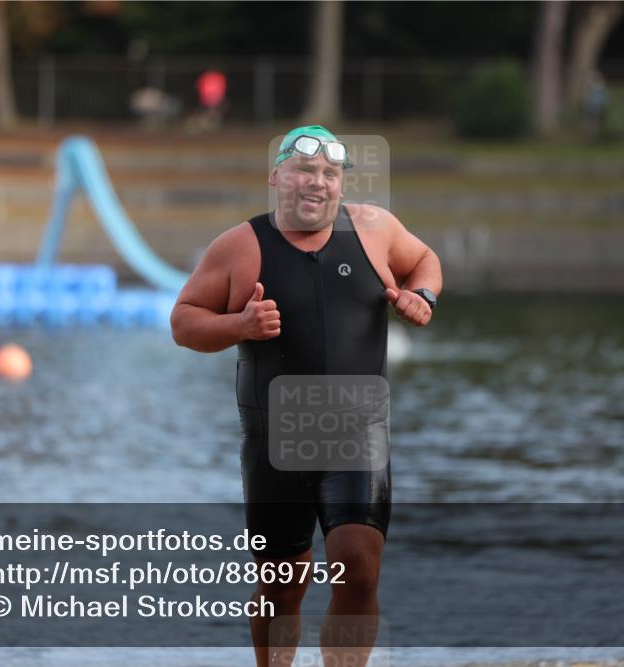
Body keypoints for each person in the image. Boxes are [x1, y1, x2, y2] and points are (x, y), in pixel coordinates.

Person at [170, 125, 442, 666]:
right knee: (283, 583)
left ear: (340, 183)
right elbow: (183, 322)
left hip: (357, 432)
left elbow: (424, 259)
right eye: (303, 170)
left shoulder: (375, 229)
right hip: (276, 439)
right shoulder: (241, 245)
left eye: (329, 173)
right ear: (276, 177)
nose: (317, 182)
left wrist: (422, 295)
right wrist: (240, 325)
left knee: (358, 568)